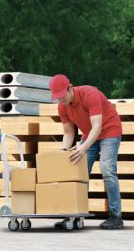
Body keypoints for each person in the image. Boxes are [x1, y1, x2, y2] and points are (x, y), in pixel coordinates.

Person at [49, 74, 123, 230]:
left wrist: (83, 147)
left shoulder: (90, 94)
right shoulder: (62, 106)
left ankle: (116, 216)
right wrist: (63, 150)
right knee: (77, 173)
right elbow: (69, 133)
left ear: (70, 88)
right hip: (89, 135)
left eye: (62, 96)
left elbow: (97, 126)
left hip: (109, 130)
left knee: (107, 169)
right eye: (58, 98)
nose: (61, 101)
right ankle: (74, 216)